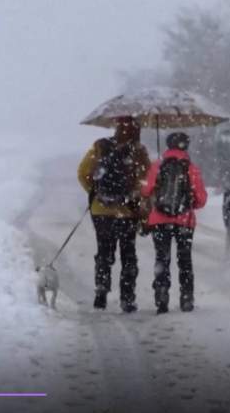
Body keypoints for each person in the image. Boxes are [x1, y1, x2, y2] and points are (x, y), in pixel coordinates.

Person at [77, 117, 151, 313]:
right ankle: (127, 298)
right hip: (127, 211)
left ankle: (101, 293)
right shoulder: (139, 151)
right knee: (128, 254)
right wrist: (135, 198)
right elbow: (145, 180)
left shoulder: (100, 146)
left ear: (117, 129)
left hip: (101, 211)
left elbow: (82, 172)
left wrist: (96, 192)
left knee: (104, 252)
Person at [141, 132, 207, 313]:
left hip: (160, 220)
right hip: (184, 221)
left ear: (168, 145)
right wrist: (187, 203)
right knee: (184, 260)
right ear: (186, 146)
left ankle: (161, 296)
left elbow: (145, 191)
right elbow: (201, 200)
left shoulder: (157, 165)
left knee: (162, 258)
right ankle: (186, 298)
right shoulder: (191, 168)